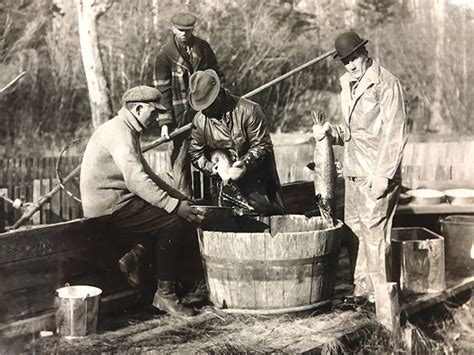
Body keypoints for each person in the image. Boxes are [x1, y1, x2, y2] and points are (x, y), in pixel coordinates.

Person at [80, 86, 205, 317]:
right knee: (173, 223)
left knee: (168, 214)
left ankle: (135, 258)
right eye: (153, 112)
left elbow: (149, 175)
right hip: (109, 207)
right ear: (138, 109)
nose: (157, 118)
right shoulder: (120, 134)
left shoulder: (126, 128)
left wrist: (181, 198)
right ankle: (165, 296)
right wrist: (175, 207)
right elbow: (137, 181)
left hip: (118, 201)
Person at [313, 31, 407, 307]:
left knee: (376, 239)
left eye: (355, 58)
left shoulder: (386, 84)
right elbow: (355, 133)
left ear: (365, 53)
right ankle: (362, 294)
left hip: (376, 175)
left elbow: (395, 133)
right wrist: (331, 132)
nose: (352, 65)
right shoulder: (348, 85)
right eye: (346, 62)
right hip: (353, 173)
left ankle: (384, 307)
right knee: (355, 233)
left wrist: (383, 175)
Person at [188, 69, 285, 216]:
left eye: (208, 105)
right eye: (201, 107)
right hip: (223, 188)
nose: (205, 111)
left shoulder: (250, 110)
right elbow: (195, 154)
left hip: (258, 187)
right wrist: (212, 168)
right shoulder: (200, 121)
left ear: (219, 95)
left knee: (266, 225)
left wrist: (245, 164)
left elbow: (262, 145)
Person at [154, 12, 226, 198]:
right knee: (180, 162)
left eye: (188, 30)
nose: (185, 34)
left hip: (207, 113)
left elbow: (218, 77)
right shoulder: (164, 57)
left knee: (214, 156)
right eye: (180, 30)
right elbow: (162, 93)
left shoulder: (203, 48)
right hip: (180, 118)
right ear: (172, 29)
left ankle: (216, 200)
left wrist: (222, 105)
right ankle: (184, 204)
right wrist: (164, 123)